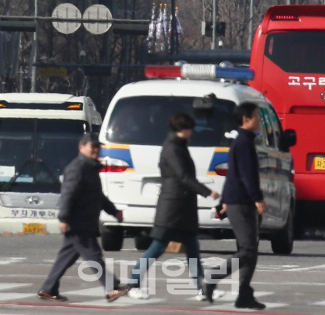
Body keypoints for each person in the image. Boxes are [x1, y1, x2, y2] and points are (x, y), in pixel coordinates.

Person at [126, 112, 220, 300]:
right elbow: (183, 177)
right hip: (172, 209)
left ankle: (203, 288)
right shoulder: (172, 148)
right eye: (189, 128)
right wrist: (207, 192)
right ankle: (132, 284)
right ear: (181, 129)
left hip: (182, 209)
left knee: (193, 250)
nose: (192, 132)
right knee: (157, 248)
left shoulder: (179, 146)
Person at [38, 132, 129, 303]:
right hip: (79, 222)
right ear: (81, 148)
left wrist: (114, 212)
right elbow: (67, 195)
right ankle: (112, 288)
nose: (96, 150)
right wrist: (64, 218)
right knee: (94, 256)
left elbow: (98, 196)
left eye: (98, 147)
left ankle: (48, 288)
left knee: (66, 257)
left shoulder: (90, 168)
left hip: (84, 221)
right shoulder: (77, 168)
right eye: (92, 146)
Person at [204, 101, 267, 311]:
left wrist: (223, 202)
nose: (259, 119)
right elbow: (246, 175)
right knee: (248, 250)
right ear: (245, 119)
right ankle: (214, 276)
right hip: (241, 202)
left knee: (250, 251)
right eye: (256, 115)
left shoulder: (244, 141)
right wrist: (258, 198)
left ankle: (244, 295)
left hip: (239, 200)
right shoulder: (243, 143)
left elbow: (233, 174)